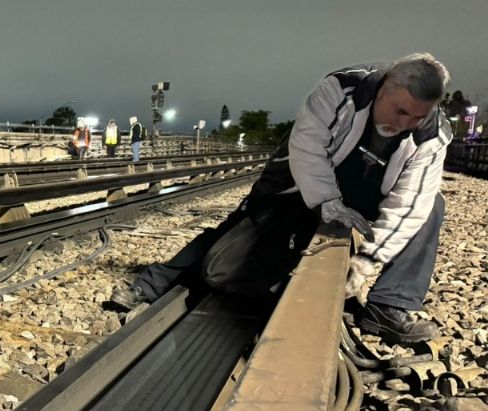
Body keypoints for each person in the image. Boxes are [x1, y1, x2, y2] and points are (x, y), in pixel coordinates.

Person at [111, 53, 452, 346]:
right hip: (305, 176)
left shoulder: (431, 135)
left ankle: (389, 304)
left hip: (371, 192)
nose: (405, 123)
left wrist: (367, 261)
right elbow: (306, 148)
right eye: (400, 110)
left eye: (417, 117)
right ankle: (155, 282)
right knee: (244, 225)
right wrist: (327, 202)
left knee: (432, 207)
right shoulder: (340, 89)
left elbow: (410, 203)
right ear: (385, 86)